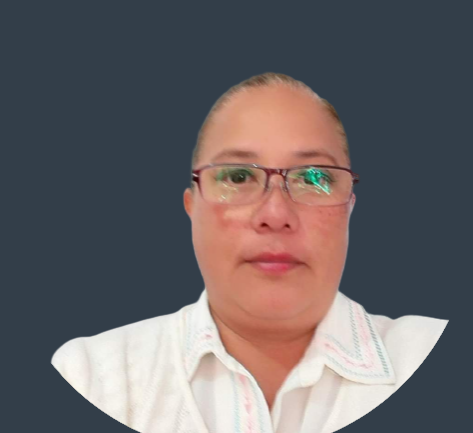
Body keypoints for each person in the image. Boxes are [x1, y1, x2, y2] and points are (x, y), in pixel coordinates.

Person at [51, 72, 448, 433]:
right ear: (192, 208)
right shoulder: (89, 377)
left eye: (314, 178)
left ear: (349, 208)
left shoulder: (436, 354)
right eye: (238, 176)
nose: (275, 215)